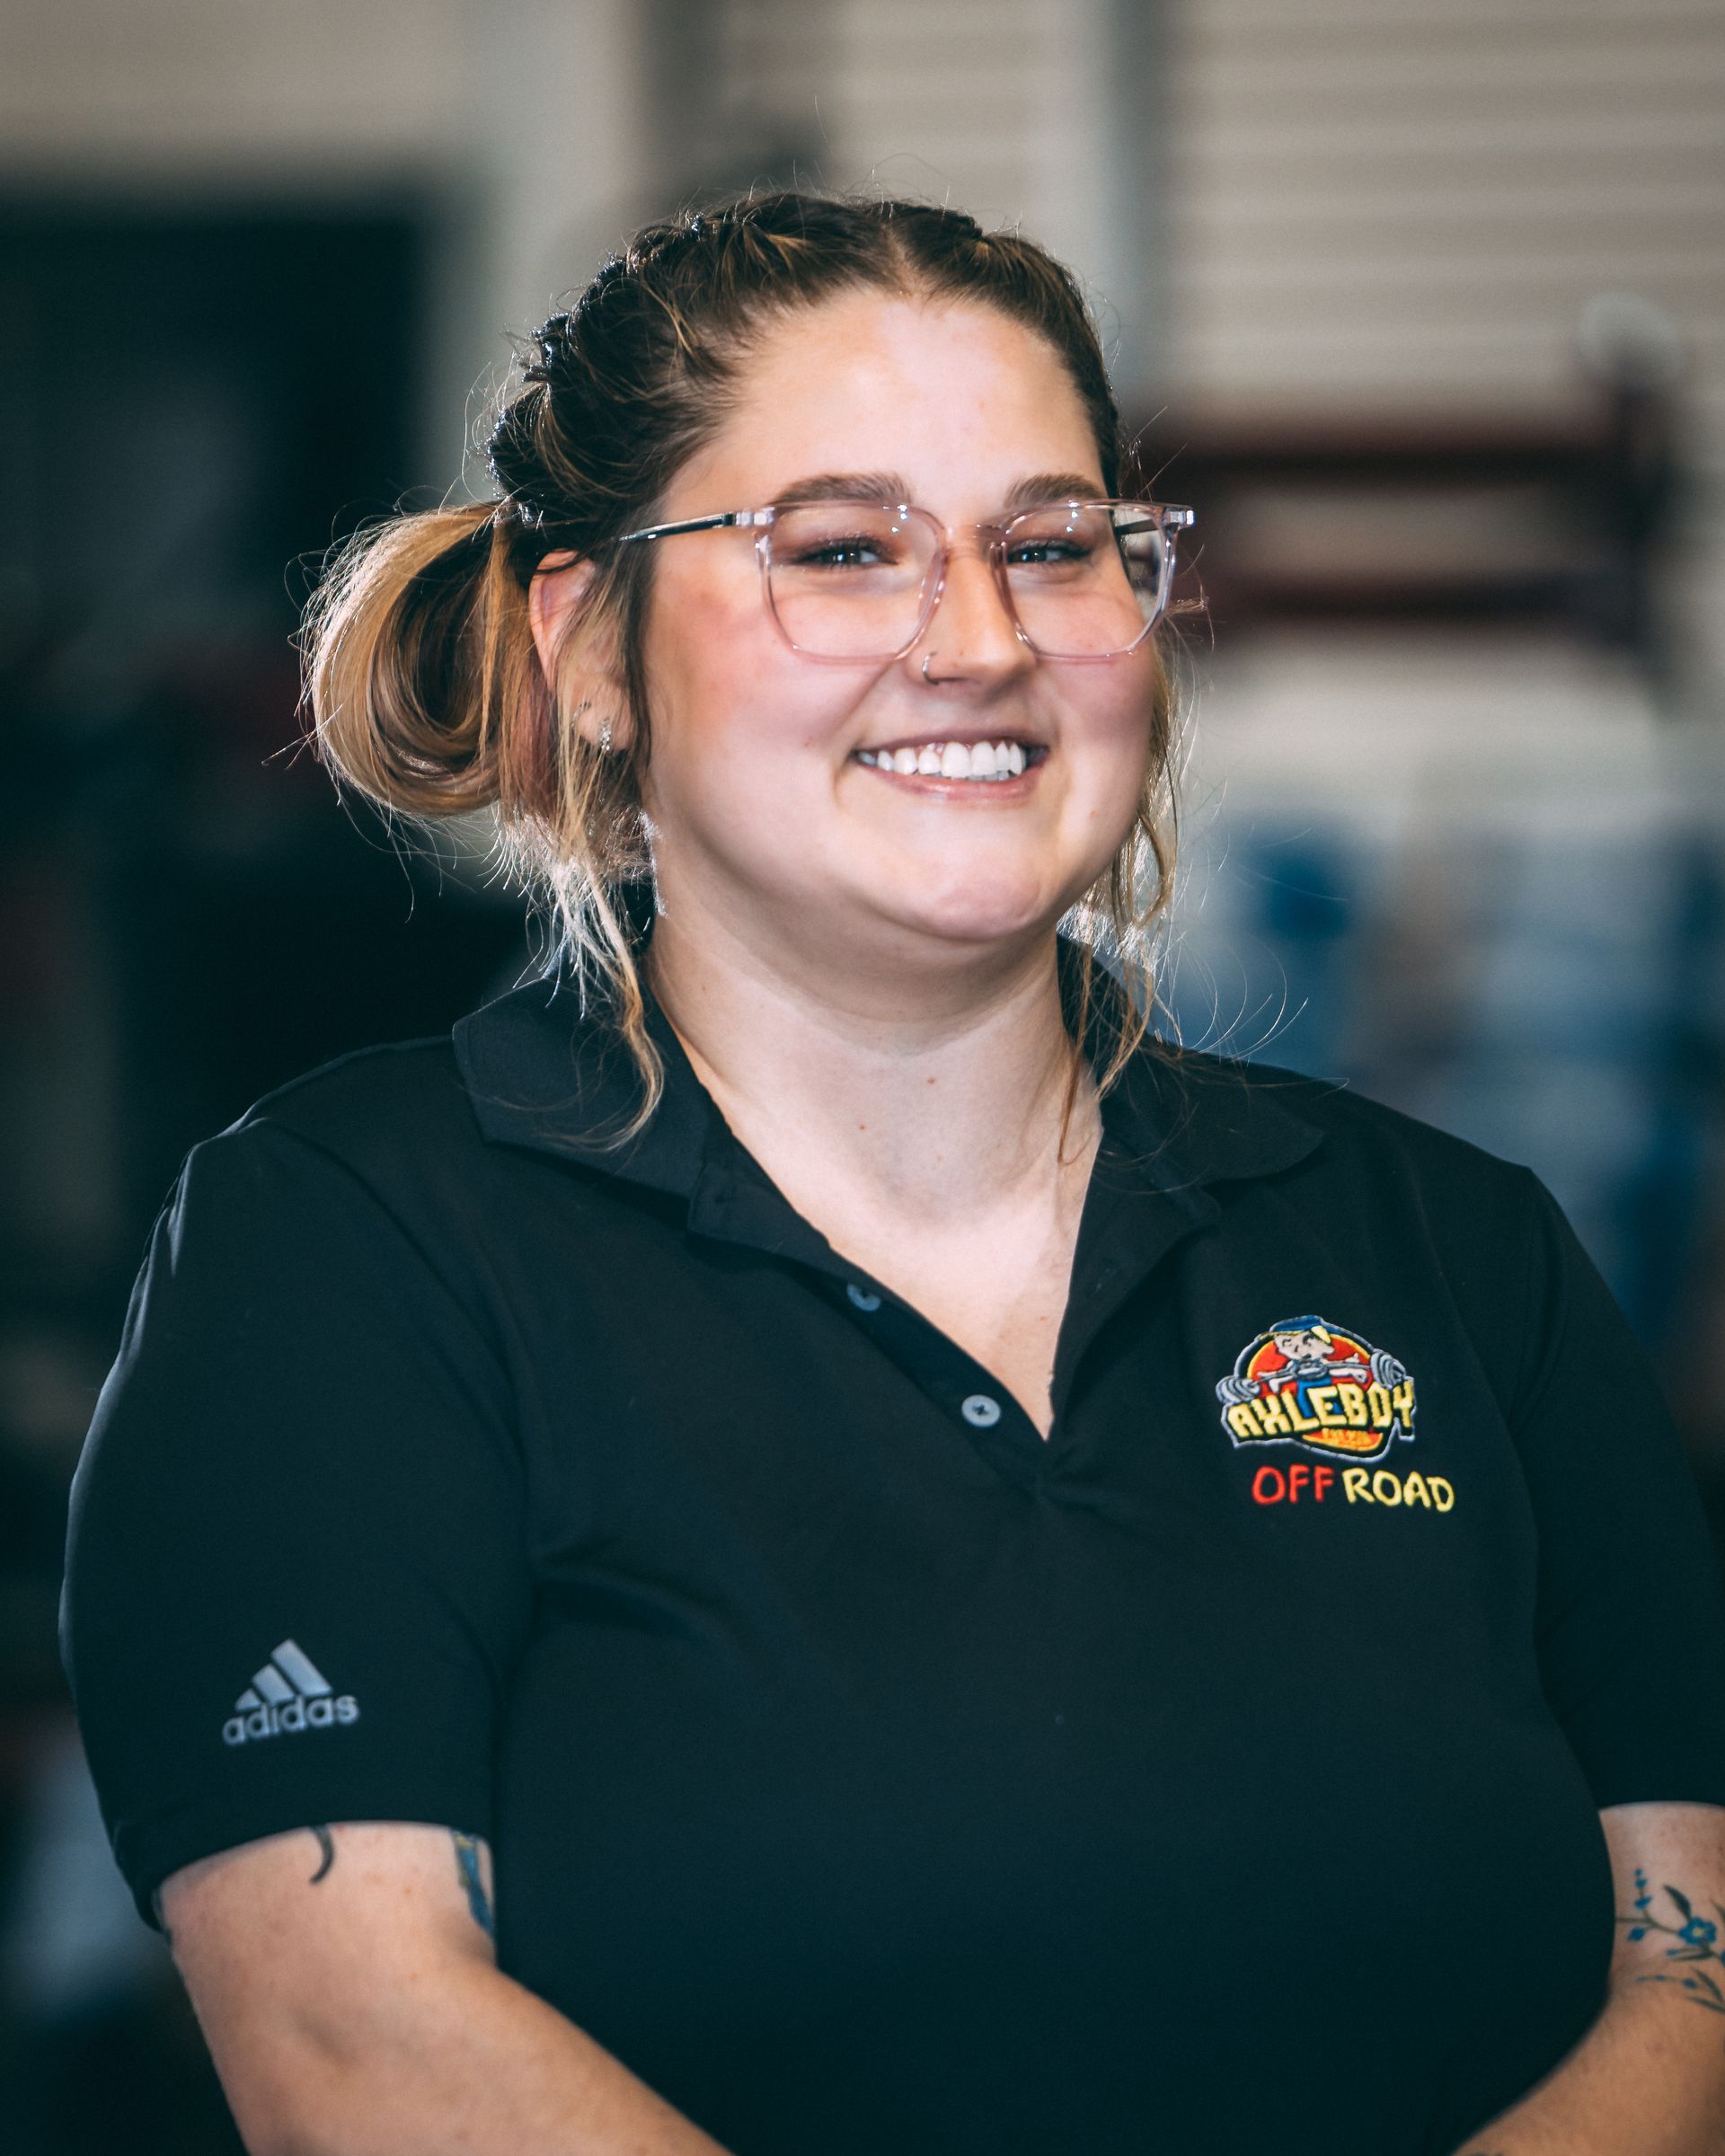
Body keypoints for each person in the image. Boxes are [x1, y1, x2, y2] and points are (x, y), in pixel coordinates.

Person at [61, 190, 1725, 2156]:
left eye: (1054, 547)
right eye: (843, 551)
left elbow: (1684, 1970)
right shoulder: (350, 1255)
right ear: (589, 647)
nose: (981, 641)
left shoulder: (1460, 1256)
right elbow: (364, 2042)